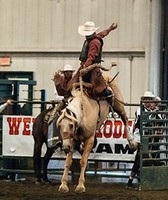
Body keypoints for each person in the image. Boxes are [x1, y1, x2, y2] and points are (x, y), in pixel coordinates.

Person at [68, 21, 118, 103]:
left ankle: (107, 93)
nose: (86, 35)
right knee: (71, 84)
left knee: (99, 88)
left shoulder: (95, 42)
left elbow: (91, 57)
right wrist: (110, 29)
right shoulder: (93, 38)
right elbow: (103, 34)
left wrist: (85, 67)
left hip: (92, 68)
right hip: (85, 66)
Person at [126, 91, 156, 190]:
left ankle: (130, 181)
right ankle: (143, 182)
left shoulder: (151, 111)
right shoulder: (140, 110)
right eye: (146, 99)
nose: (147, 101)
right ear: (143, 100)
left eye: (149, 99)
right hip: (139, 137)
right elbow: (140, 122)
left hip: (146, 138)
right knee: (142, 159)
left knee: (140, 160)